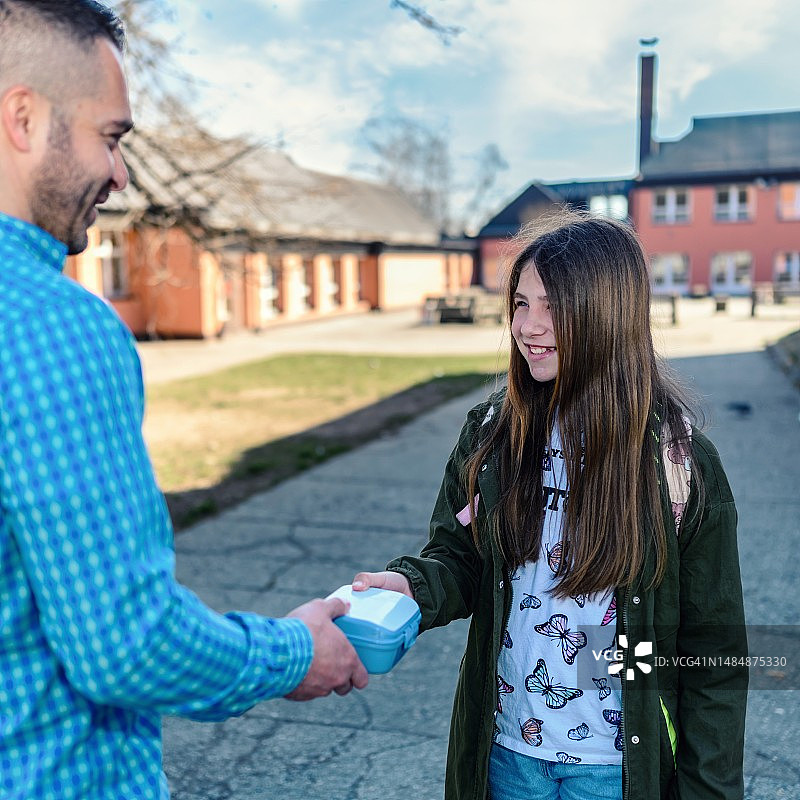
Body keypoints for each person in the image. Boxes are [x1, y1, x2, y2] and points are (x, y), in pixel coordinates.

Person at [0, 3, 367, 798]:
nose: (122, 175)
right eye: (111, 137)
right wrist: (295, 651)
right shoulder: (53, 324)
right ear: (22, 118)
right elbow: (123, 644)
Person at [353, 211, 748, 800]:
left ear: (608, 315)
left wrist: (707, 790)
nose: (528, 326)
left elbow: (713, 655)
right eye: (520, 303)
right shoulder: (490, 435)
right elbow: (461, 559)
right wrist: (414, 585)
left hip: (614, 770)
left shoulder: (678, 463)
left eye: (553, 307)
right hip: (507, 756)